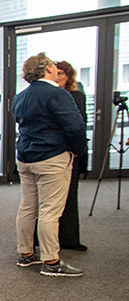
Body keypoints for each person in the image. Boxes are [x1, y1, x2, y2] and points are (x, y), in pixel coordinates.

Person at [13, 53, 88, 277]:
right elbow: (75, 127)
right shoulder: (57, 94)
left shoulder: (20, 97)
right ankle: (51, 261)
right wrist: (78, 150)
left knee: (28, 207)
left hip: (25, 158)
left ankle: (26, 254)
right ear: (47, 69)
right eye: (54, 66)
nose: (56, 69)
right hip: (52, 157)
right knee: (50, 210)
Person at [54, 61, 88, 251]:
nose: (58, 77)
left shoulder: (76, 96)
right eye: (56, 73)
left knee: (69, 195)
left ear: (69, 76)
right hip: (52, 151)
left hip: (70, 151)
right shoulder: (50, 95)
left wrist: (76, 149)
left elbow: (79, 124)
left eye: (61, 73)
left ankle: (69, 238)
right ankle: (43, 238)